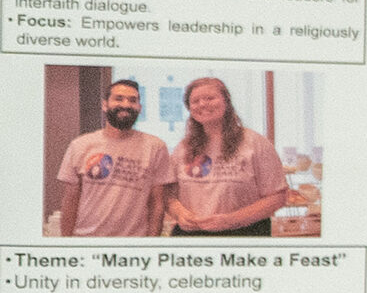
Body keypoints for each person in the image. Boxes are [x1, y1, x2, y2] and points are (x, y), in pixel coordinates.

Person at [169, 77, 291, 236]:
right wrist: (180, 214)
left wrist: (231, 220)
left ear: (226, 102)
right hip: (192, 235)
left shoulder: (255, 143)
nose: (202, 104)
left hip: (244, 234)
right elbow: (169, 196)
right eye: (195, 101)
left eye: (210, 98)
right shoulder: (183, 148)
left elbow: (278, 196)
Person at [55, 78, 175, 237]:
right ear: (105, 105)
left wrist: (151, 245)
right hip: (87, 241)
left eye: (133, 100)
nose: (126, 104)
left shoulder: (155, 147)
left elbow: (157, 203)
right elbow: (70, 201)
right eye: (119, 98)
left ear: (139, 108)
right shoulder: (80, 145)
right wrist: (66, 244)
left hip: (134, 244)